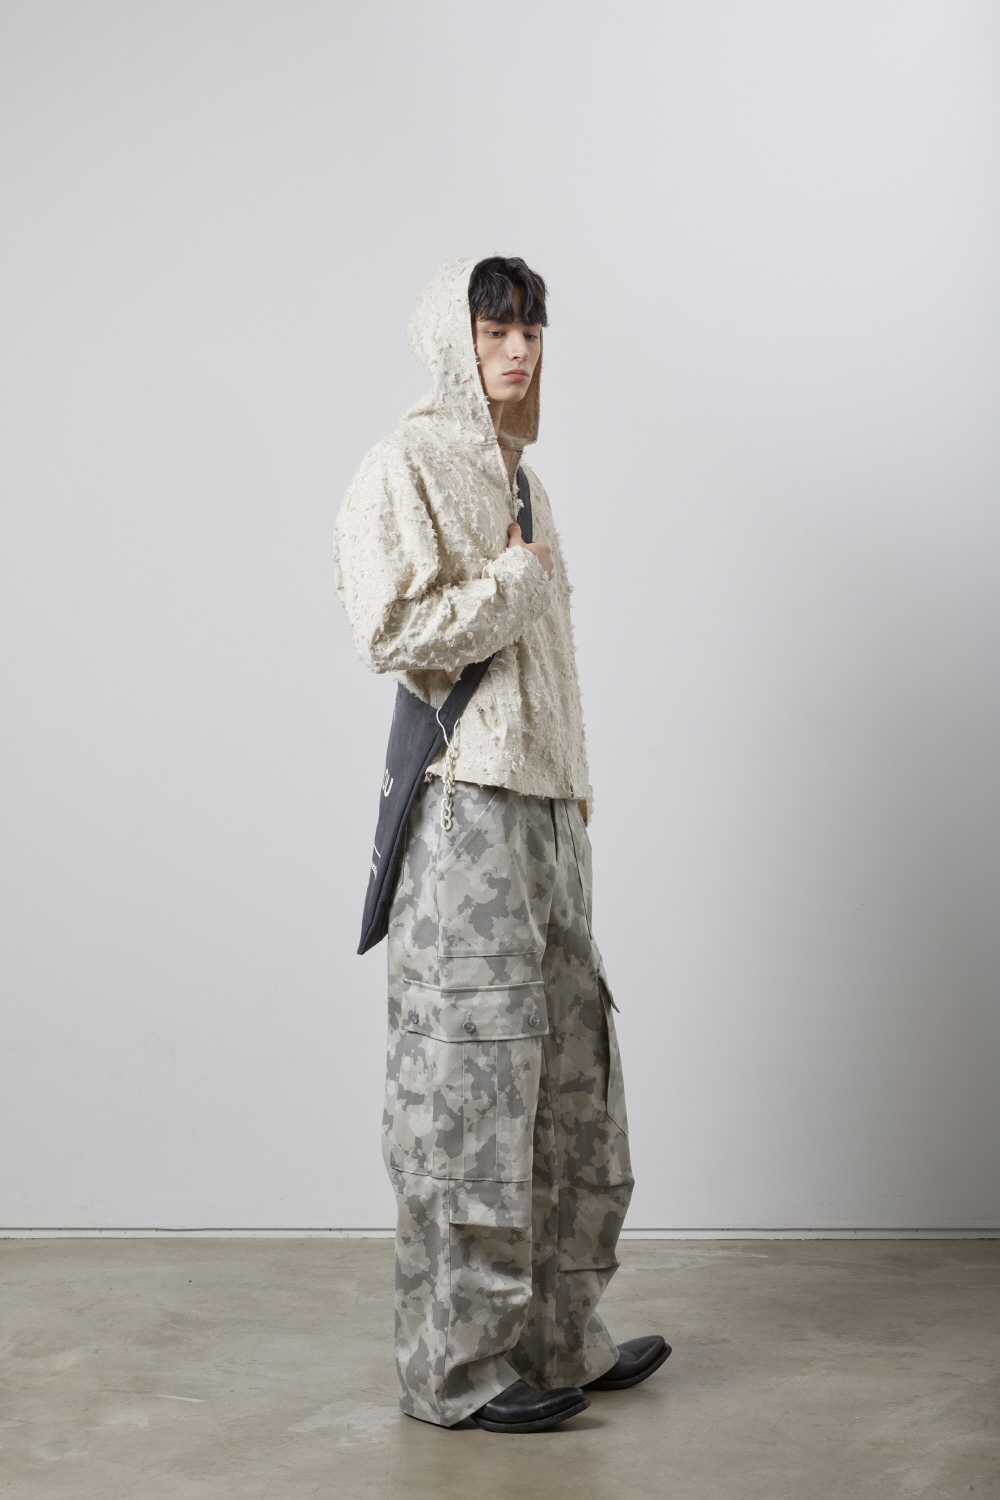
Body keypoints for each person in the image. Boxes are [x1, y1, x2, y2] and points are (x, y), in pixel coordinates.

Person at [333, 256, 670, 1433]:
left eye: (530, 330)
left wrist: (575, 791)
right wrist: (513, 586)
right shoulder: (404, 465)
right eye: (494, 331)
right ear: (452, 342)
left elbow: (546, 666)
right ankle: (457, 1374)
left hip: (547, 815)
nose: (517, 351)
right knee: (469, 1092)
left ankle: (559, 1339)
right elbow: (390, 628)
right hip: (469, 814)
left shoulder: (529, 482)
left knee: (571, 1083)